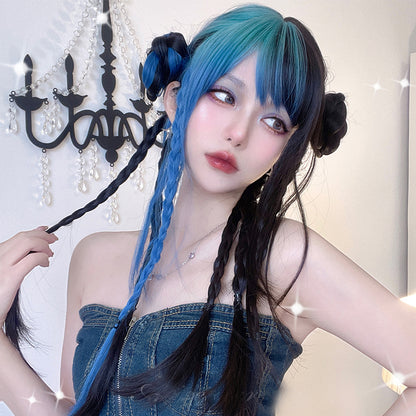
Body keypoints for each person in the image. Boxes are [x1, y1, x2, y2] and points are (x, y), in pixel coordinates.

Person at [0, 4, 415, 416]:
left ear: (287, 146)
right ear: (176, 98)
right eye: (224, 95)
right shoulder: (94, 256)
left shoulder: (283, 256)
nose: (238, 133)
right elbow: (75, 409)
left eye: (274, 121)